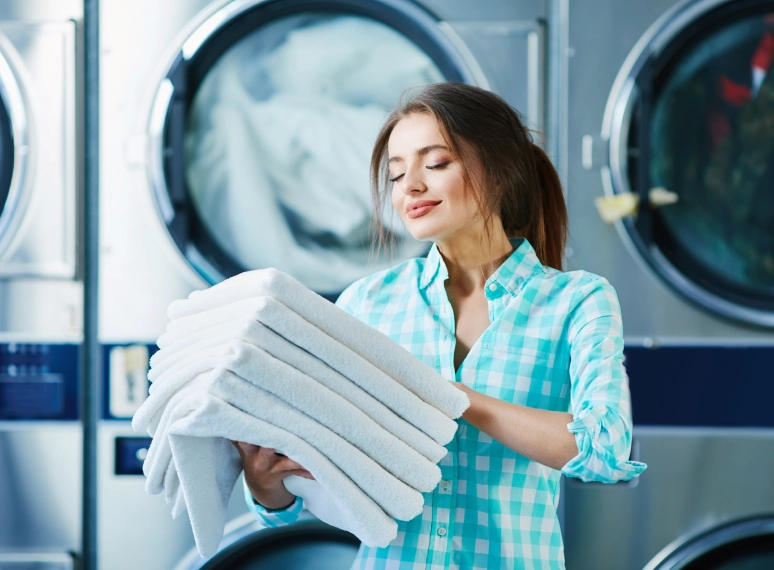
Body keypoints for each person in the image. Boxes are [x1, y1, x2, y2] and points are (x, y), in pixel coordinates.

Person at [233, 82, 646, 569]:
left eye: (435, 164)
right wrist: (265, 484)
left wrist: (452, 399)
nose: (410, 186)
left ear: (499, 170)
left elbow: (605, 452)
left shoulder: (578, 300)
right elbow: (303, 502)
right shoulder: (368, 304)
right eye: (396, 173)